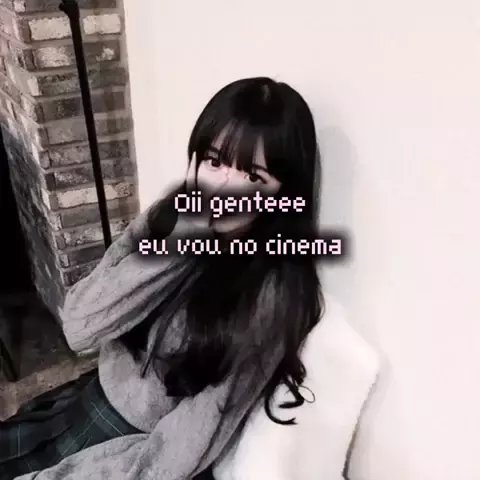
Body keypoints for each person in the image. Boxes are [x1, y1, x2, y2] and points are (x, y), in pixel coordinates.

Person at [0, 77, 324, 480]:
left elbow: (187, 443)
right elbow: (80, 327)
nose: (222, 187)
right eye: (214, 161)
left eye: (253, 177)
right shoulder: (169, 216)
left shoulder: (269, 294)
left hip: (126, 451)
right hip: (84, 399)